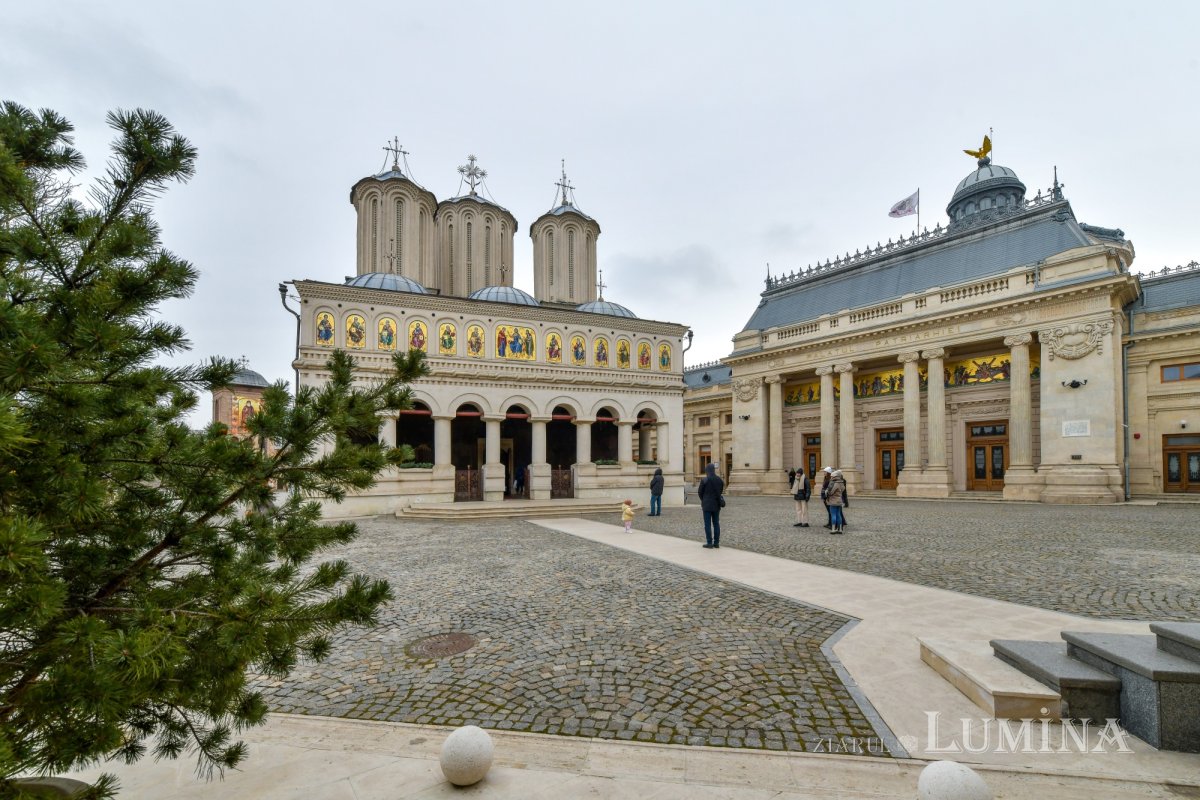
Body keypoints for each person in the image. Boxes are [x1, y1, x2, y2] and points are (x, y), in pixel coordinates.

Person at [697, 462, 724, 548]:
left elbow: (700, 492)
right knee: (716, 523)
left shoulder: (705, 480)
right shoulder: (719, 480)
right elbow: (720, 491)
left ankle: (709, 542)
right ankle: (716, 543)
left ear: (707, 470)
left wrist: (704, 499)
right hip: (716, 504)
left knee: (707, 524)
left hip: (707, 505)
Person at [826, 469, 848, 534]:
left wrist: (827, 491)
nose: (831, 477)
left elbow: (831, 492)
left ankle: (833, 529)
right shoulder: (841, 482)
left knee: (833, 515)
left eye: (832, 476)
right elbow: (843, 490)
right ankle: (840, 529)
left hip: (833, 501)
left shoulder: (835, 483)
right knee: (839, 515)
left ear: (834, 476)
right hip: (839, 500)